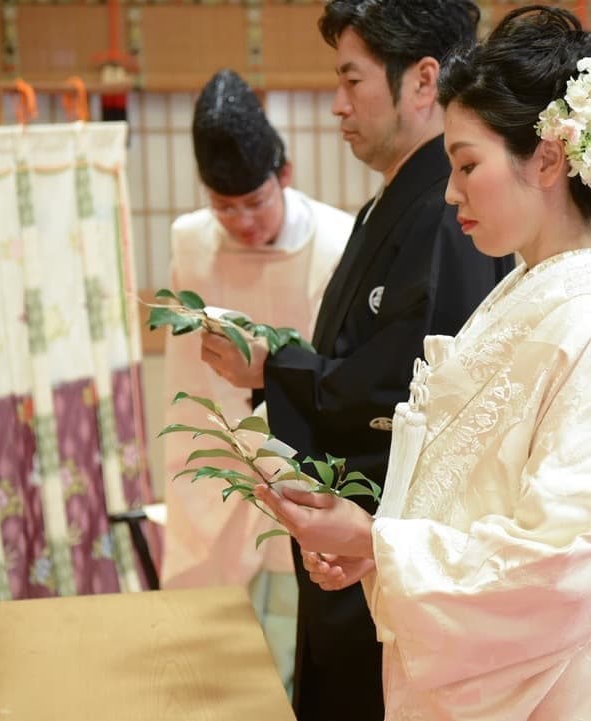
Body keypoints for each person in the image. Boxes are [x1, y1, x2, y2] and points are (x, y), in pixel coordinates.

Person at [255, 7, 591, 720]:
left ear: (547, 159)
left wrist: (377, 543)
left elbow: (564, 564)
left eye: (466, 165)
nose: (451, 192)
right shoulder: (519, 302)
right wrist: (376, 552)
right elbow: (459, 493)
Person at [197, 3, 514, 719]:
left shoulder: (445, 207)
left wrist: (273, 369)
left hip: (381, 535)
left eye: (352, 80)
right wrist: (276, 363)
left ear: (423, 80)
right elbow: (365, 358)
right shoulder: (398, 198)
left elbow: (407, 390)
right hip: (349, 533)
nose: (338, 105)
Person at [159, 69, 351, 689]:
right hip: (212, 436)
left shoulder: (336, 238)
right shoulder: (191, 240)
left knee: (294, 621)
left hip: (300, 447)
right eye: (223, 207)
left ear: (285, 175)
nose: (241, 223)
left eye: (255, 203)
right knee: (209, 633)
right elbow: (184, 371)